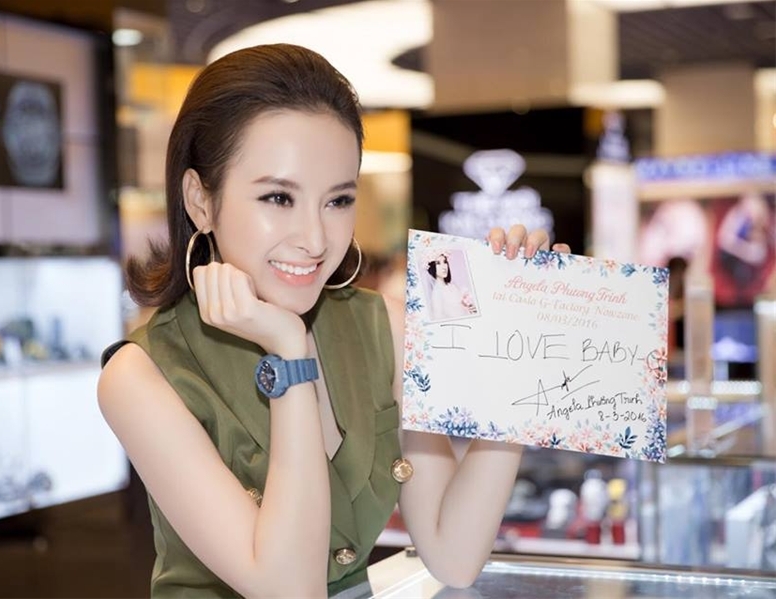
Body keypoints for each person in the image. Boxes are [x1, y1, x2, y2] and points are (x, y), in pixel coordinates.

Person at [97, 43, 570, 598]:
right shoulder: (143, 375)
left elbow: (454, 555)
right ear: (201, 200)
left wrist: (518, 360)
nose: (316, 239)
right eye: (279, 198)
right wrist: (288, 354)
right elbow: (289, 589)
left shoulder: (382, 328)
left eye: (338, 200)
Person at [426, 252, 479, 320]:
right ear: (432, 267)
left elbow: (461, 308)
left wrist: (470, 310)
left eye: (445, 262)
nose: (444, 267)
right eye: (438, 263)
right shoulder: (437, 292)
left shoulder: (452, 286)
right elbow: (438, 318)